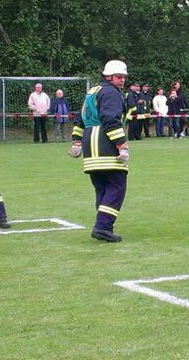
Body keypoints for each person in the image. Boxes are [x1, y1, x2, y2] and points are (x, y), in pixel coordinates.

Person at [69, 60, 130, 242]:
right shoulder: (111, 92)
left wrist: (77, 142)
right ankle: (102, 227)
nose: (122, 80)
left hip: (90, 144)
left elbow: (80, 119)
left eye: (124, 77)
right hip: (104, 143)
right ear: (108, 76)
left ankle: (103, 225)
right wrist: (122, 145)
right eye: (119, 76)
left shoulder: (93, 91)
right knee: (117, 186)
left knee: (102, 188)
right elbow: (111, 119)